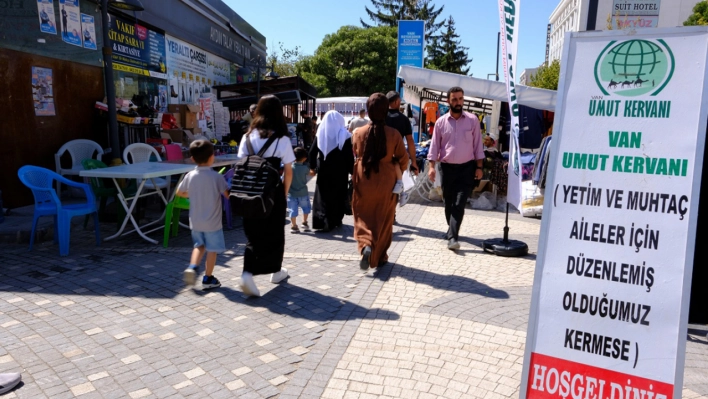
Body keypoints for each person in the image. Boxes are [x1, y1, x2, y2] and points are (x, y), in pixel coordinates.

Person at [236, 95, 295, 297]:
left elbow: (241, 164)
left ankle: (251, 273)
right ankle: (272, 272)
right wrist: (284, 194)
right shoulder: (282, 139)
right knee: (275, 233)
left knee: (253, 234)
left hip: (249, 191)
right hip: (272, 192)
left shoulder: (246, 137)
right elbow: (288, 171)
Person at [352, 93, 409, 270]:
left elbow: (355, 152)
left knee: (362, 216)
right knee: (384, 219)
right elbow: (403, 158)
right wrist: (397, 169)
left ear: (368, 110)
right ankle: (380, 256)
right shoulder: (394, 134)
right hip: (386, 179)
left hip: (363, 177)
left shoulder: (358, 132)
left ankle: (366, 245)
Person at [427, 86, 485, 251]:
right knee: (448, 203)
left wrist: (479, 167)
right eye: (454, 99)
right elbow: (434, 147)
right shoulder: (440, 122)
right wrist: (432, 167)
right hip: (447, 169)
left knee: (459, 203)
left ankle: (453, 237)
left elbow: (478, 146)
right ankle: (451, 229)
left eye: (460, 99)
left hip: (466, 169)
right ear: (448, 101)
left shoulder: (473, 120)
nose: (458, 102)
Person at [177, 140, 230, 289]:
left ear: (192, 159)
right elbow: (227, 195)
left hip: (195, 220)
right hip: (212, 222)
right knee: (212, 250)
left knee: (199, 246)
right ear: (212, 157)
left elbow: (179, 192)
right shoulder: (217, 177)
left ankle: (192, 267)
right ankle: (208, 277)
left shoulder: (190, 175)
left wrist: (191, 193)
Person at [308, 110, 354, 232]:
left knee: (322, 194)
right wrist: (352, 171)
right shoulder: (345, 135)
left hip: (323, 168)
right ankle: (335, 220)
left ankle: (321, 221)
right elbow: (349, 156)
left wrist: (312, 167)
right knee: (338, 193)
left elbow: (312, 153)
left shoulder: (320, 133)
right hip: (340, 170)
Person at [386, 92, 418, 175]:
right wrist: (414, 162)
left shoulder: (381, 118)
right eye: (400, 101)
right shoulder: (404, 119)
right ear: (396, 102)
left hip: (383, 157)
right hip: (398, 157)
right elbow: (410, 141)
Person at [288, 147, 312, 233]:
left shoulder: (290, 168)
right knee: (306, 208)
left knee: (292, 210)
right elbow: (310, 173)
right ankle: (304, 222)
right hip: (303, 192)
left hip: (291, 193)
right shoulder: (305, 168)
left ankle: (293, 226)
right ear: (304, 158)